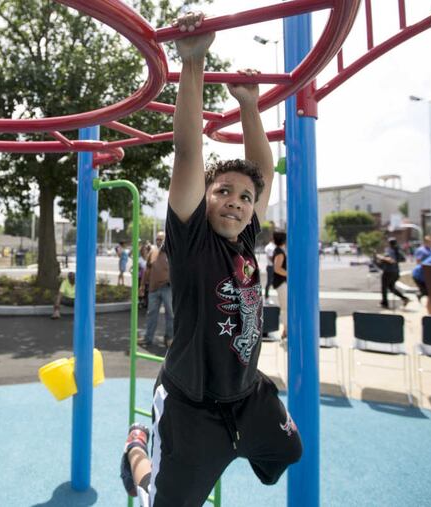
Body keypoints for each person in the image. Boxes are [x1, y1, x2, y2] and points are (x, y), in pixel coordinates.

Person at [120, 13, 301, 506]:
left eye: (245, 198)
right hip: (191, 404)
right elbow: (186, 151)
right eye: (224, 191)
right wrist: (194, 62)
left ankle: (233, 447)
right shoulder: (193, 238)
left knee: (290, 452)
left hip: (247, 395)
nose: (237, 202)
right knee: (163, 503)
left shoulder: (245, 240)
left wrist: (249, 107)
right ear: (206, 197)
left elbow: (261, 168)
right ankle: (138, 451)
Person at [139, 232, 173, 349]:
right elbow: (147, 270)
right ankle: (148, 338)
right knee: (151, 314)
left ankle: (169, 338)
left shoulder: (172, 252)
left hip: (168, 288)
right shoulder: (152, 252)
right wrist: (142, 285)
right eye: (157, 239)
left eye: (161, 239)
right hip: (154, 288)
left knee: (171, 314)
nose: (159, 241)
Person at [375, 237, 410, 309]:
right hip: (396, 272)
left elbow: (390, 260)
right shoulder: (398, 251)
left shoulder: (390, 250)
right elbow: (403, 259)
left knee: (384, 287)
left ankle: (385, 303)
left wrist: (380, 257)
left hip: (388, 271)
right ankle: (404, 298)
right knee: (391, 287)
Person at [271, 230, 288, 339]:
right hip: (281, 282)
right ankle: (286, 330)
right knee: (285, 307)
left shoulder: (279, 250)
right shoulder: (280, 252)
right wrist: (289, 274)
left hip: (281, 282)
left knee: (285, 307)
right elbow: (277, 268)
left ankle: (286, 330)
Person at [263, 236, 275, 301]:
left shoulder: (272, 246)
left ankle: (267, 297)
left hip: (272, 266)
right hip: (271, 267)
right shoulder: (270, 247)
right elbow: (270, 257)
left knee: (271, 282)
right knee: (269, 282)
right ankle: (266, 297)